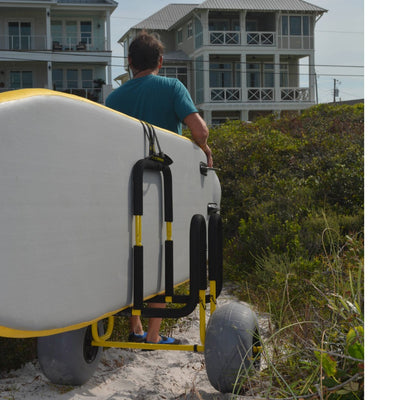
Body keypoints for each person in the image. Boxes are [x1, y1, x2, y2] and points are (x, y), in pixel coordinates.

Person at [106, 31, 212, 345]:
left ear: (129, 63)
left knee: (133, 253)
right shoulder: (172, 87)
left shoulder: (114, 98)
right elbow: (199, 130)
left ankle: (135, 328)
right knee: (162, 257)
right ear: (160, 61)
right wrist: (204, 147)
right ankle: (153, 335)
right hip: (165, 190)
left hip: (126, 191)